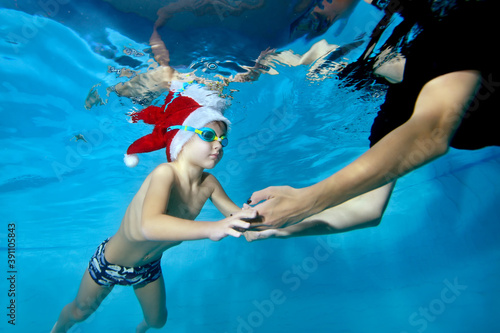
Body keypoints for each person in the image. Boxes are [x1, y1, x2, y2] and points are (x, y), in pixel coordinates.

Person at [244, 0, 499, 241]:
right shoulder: (397, 109)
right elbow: (369, 208)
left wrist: (307, 200)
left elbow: (431, 133)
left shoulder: (448, 26)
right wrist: (277, 229)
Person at [52, 83, 255, 333]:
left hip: (148, 268)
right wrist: (212, 228)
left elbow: (236, 217)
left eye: (223, 139)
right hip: (110, 262)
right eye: (208, 135)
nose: (219, 145)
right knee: (79, 313)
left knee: (158, 321)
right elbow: (150, 225)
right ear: (182, 136)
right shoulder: (164, 173)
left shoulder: (209, 184)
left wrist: (255, 220)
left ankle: (140, 329)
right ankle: (58, 328)